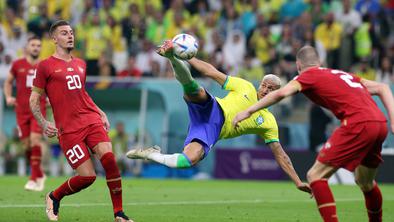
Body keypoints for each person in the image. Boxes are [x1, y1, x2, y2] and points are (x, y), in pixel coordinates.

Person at [127, 40, 311, 195]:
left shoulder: (269, 122)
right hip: (214, 109)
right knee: (193, 88)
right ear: (259, 85)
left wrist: (297, 181)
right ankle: (172, 57)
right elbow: (211, 72)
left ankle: (152, 154)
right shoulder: (245, 86)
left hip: (210, 131)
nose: (266, 90)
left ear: (278, 94)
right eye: (264, 85)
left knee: (186, 161)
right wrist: (190, 58)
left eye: (271, 89)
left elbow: (280, 155)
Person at [233, 45, 394, 222]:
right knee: (365, 182)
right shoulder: (343, 75)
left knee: (315, 176)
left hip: (358, 123)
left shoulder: (307, 76)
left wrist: (248, 111)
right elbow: (383, 88)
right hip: (379, 123)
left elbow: (281, 93)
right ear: (319, 62)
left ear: (298, 65)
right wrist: (392, 120)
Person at [29, 20, 133, 222]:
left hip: (90, 120)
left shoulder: (80, 64)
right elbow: (34, 98)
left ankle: (119, 213)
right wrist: (43, 123)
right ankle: (54, 196)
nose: (70, 36)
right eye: (64, 33)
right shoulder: (45, 66)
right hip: (68, 130)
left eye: (71, 32)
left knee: (110, 159)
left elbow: (82, 93)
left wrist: (100, 112)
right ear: (54, 38)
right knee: (88, 177)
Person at [3, 35, 46, 191]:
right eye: (33, 45)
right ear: (27, 47)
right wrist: (8, 97)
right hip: (21, 110)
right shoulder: (17, 64)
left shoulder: (45, 65)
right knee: (26, 145)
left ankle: (33, 178)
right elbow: (8, 82)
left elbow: (53, 85)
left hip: (38, 108)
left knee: (35, 140)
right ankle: (39, 172)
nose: (35, 48)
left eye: (38, 45)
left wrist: (50, 99)